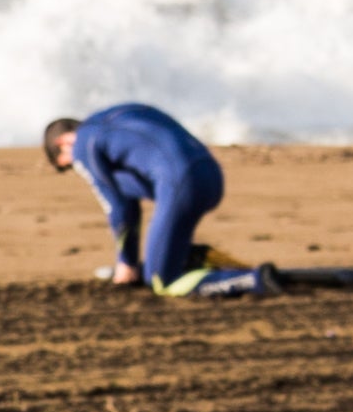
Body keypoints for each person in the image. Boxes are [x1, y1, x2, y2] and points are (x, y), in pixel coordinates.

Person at [42, 102, 275, 299]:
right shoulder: (123, 113)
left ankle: (256, 280)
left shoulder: (84, 144)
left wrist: (126, 264)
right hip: (211, 174)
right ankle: (187, 256)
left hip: (181, 185)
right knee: (122, 185)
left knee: (161, 280)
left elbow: (118, 208)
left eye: (69, 166)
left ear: (63, 143)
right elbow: (129, 188)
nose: (77, 168)